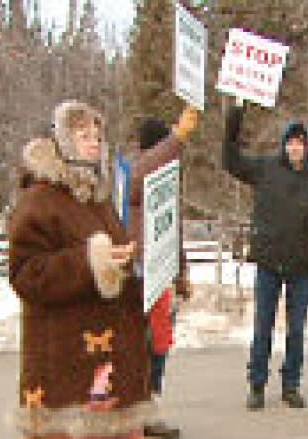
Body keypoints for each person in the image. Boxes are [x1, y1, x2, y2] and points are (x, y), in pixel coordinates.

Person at [8, 100, 196, 439]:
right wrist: (92, 261)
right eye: (83, 135)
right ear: (61, 142)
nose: (95, 141)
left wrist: (137, 273)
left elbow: (111, 266)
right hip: (65, 369)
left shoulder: (98, 198)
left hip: (112, 366)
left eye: (97, 134)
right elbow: (25, 273)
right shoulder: (39, 199)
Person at [222, 97, 308, 410]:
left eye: (300, 143)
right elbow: (231, 161)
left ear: (307, 147)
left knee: (296, 328)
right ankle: (256, 384)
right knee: (262, 326)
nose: (295, 148)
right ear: (284, 145)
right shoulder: (266, 168)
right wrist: (235, 117)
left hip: (301, 266)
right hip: (268, 262)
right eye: (290, 143)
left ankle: (291, 384)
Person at [131, 111, 198, 439]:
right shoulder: (135, 174)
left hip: (161, 276)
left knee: (159, 345)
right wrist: (177, 139)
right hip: (139, 276)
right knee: (141, 349)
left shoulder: (166, 186)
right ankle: (135, 414)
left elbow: (171, 232)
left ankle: (150, 407)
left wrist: (182, 271)